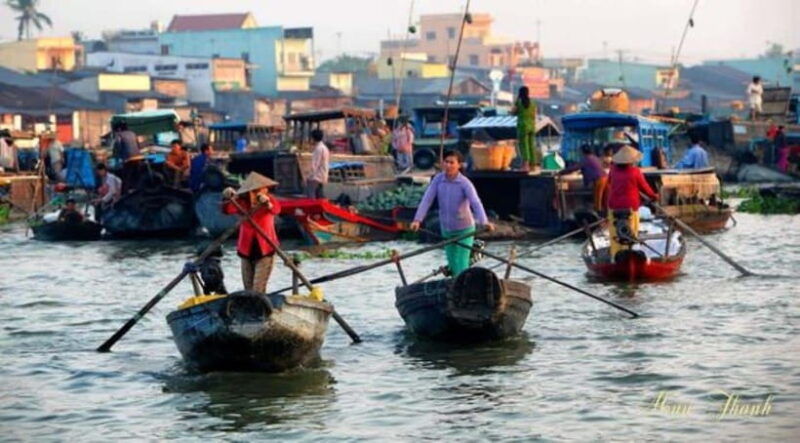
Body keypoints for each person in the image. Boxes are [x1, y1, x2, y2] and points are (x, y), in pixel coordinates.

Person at [410, 150, 495, 277]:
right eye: (446, 162)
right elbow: (427, 200)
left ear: (459, 165)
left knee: (460, 261)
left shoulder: (464, 183)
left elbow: (475, 202)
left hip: (464, 230)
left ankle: (462, 287)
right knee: (452, 263)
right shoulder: (438, 180)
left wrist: (484, 222)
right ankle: (458, 287)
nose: (448, 165)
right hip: (447, 230)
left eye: (452, 163)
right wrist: (417, 220)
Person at [222, 172, 282, 293]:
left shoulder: (269, 201)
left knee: (258, 288)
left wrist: (267, 203)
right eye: (252, 192)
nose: (254, 195)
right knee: (248, 289)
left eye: (258, 191)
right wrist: (228, 197)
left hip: (265, 248)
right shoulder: (242, 203)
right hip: (246, 249)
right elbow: (227, 210)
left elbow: (276, 209)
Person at [606, 145, 659, 260]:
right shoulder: (635, 172)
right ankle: (630, 252)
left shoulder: (613, 170)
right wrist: (654, 196)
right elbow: (645, 188)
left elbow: (610, 183)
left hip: (614, 205)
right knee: (632, 230)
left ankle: (615, 256)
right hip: (630, 206)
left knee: (615, 232)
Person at [558, 144, 607, 211]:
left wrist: (561, 172)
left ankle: (598, 213)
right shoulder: (594, 157)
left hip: (599, 179)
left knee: (598, 199)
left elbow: (574, 168)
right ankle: (600, 212)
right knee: (601, 199)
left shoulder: (586, 159)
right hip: (604, 178)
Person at [511, 86, 540, 172]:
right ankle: (533, 165)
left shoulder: (519, 102)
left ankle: (525, 165)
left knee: (524, 146)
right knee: (531, 145)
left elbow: (513, 112)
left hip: (523, 126)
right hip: (532, 126)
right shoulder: (533, 102)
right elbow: (535, 114)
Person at [307, 129, 329, 199]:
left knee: (311, 195)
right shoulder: (324, 148)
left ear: (313, 138)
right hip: (322, 175)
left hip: (316, 176)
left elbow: (315, 164)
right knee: (320, 196)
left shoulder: (318, 149)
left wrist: (309, 176)